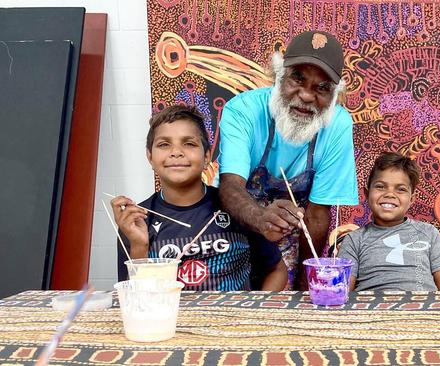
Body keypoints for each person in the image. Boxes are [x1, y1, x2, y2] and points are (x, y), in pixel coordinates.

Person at [217, 31, 358, 289]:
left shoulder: (338, 125)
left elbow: (316, 214)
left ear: (335, 94)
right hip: (238, 225)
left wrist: (306, 285)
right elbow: (230, 186)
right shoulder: (243, 110)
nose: (306, 96)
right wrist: (260, 218)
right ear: (279, 75)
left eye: (322, 88)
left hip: (293, 236)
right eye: (297, 78)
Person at [112, 105, 287, 291]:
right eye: (164, 144)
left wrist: (253, 315)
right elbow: (138, 299)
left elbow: (277, 269)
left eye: (189, 143)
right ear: (150, 157)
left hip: (233, 319)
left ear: (206, 157)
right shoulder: (136, 221)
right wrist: (139, 245)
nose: (176, 152)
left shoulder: (239, 208)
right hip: (173, 320)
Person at [337, 152, 440, 292]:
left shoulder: (429, 234)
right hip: (372, 311)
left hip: (421, 310)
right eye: (380, 187)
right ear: (366, 193)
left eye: (400, 189)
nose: (389, 194)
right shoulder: (354, 240)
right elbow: (343, 295)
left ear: (411, 199)